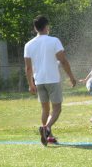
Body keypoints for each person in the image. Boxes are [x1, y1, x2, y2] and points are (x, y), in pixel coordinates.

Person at [24, 15, 76, 146]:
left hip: (39, 80)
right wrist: (71, 77)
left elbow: (28, 68)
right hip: (52, 79)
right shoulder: (54, 41)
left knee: (45, 109)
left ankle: (49, 136)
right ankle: (46, 128)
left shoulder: (28, 44)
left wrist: (31, 84)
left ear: (35, 28)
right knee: (57, 108)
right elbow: (63, 61)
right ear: (47, 27)